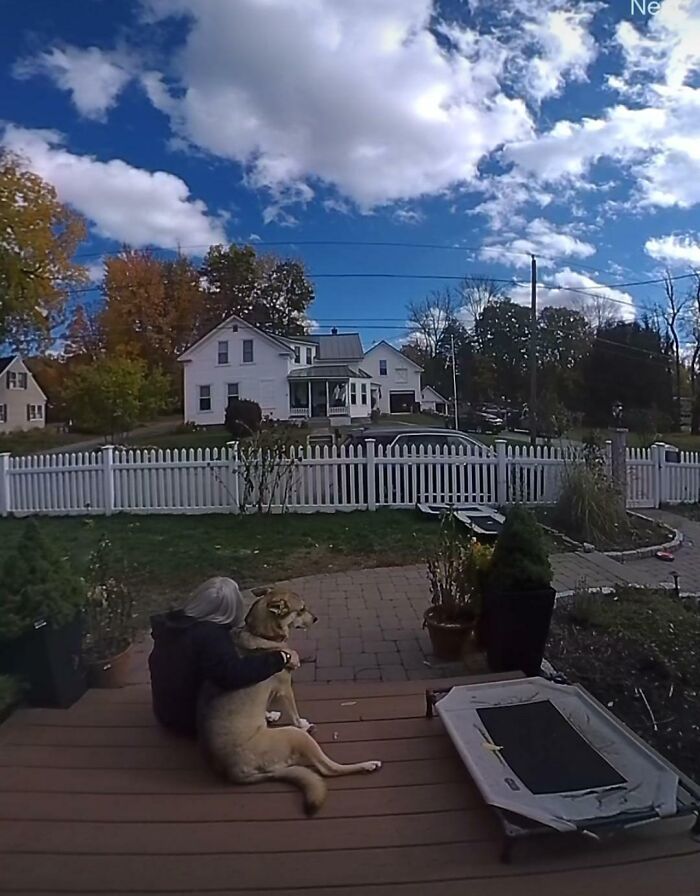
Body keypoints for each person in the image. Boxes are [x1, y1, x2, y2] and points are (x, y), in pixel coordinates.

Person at [148, 576, 299, 736]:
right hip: (193, 721)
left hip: (166, 711)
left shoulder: (174, 623)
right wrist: (281, 658)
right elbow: (233, 675)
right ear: (232, 608)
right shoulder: (211, 637)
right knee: (254, 679)